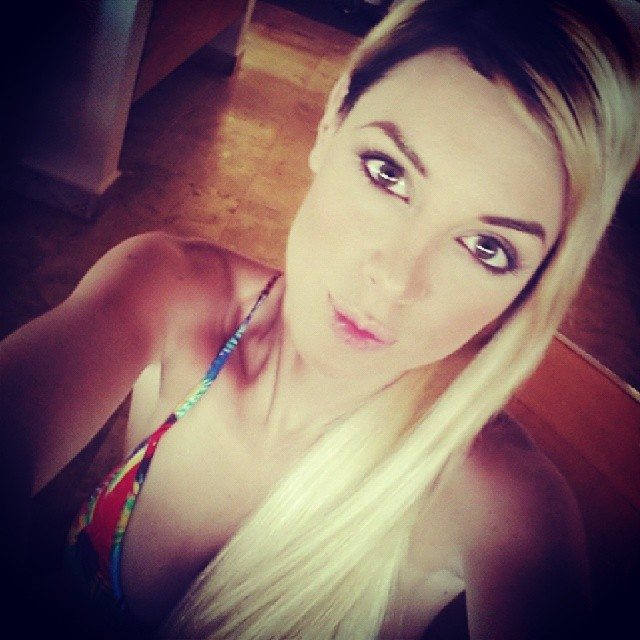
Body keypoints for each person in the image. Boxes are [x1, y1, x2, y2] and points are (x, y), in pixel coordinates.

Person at [1, 0, 639, 638]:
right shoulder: (168, 289)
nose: (396, 280)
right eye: (387, 173)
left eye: (487, 248)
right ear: (332, 121)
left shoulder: (501, 507)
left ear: (535, 283)